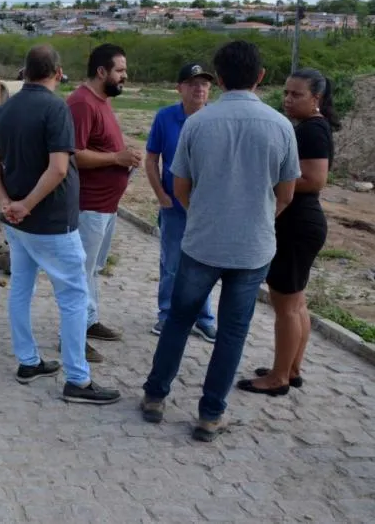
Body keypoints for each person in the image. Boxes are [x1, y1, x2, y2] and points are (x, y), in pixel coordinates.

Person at [140, 40, 299, 442]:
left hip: (202, 244)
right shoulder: (281, 126)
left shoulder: (197, 124)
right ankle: (211, 415)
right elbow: (286, 194)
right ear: (261, 77)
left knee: (178, 319)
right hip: (252, 249)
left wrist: (205, 216)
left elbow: (181, 186)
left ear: (220, 78)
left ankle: (155, 397)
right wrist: (257, 218)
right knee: (232, 332)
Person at [0, 44, 121, 405]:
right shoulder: (56, 108)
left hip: (17, 223)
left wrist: (6, 202)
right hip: (51, 223)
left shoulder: (6, 109)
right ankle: (78, 379)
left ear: (24, 72)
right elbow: (59, 168)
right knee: (74, 297)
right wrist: (26, 205)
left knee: (21, 289)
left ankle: (28, 362)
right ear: (58, 72)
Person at [237, 68, 338, 396]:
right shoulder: (308, 127)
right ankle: (291, 367)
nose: (288, 100)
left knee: (286, 305)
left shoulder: (313, 131)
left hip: (297, 225)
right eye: (286, 93)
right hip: (301, 224)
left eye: (297, 95)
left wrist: (267, 179)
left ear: (316, 98)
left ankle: (279, 377)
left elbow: (314, 180)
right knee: (296, 303)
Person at [66, 43, 143, 362]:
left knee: (92, 268)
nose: (125, 76)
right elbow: (72, 154)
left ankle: (89, 320)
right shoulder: (82, 103)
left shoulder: (102, 101)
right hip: (89, 205)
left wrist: (124, 158)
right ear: (102, 72)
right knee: (79, 272)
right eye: (120, 70)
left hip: (106, 206)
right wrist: (116, 157)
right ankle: (70, 337)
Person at [144, 64, 218, 341]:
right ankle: (167, 314)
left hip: (205, 209)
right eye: (192, 83)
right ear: (180, 88)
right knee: (172, 263)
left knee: (204, 265)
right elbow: (151, 159)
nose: (199, 88)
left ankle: (203, 317)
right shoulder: (166, 118)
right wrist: (160, 196)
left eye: (204, 84)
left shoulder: (215, 118)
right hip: (173, 207)